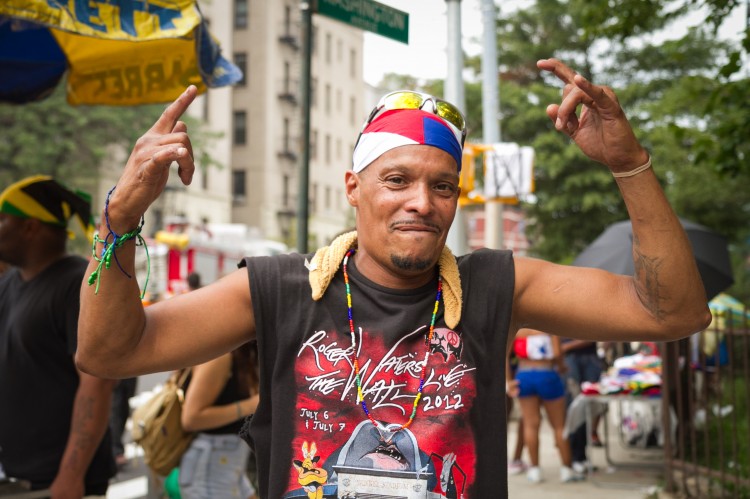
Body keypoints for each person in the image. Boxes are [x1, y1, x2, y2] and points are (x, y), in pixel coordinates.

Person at [76, 59, 711, 498]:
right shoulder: (280, 288)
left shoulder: (495, 287)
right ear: (354, 188)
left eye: (441, 185)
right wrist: (121, 217)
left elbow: (673, 314)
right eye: (397, 180)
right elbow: (109, 352)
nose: (421, 202)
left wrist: (629, 165)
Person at [0, 176, 116, 497]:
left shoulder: (77, 284)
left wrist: (71, 474)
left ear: (30, 228)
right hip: (18, 475)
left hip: (61, 482)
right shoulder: (10, 283)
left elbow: (97, 383)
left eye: (2, 220)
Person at [178, 341, 260, 498]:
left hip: (227, 465)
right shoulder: (220, 357)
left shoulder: (239, 355)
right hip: (211, 466)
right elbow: (191, 417)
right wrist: (250, 405)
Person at [507, 329, 579, 483]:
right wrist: (561, 367)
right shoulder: (547, 326)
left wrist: (508, 381)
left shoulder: (518, 330)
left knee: (530, 425)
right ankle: (567, 469)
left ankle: (535, 470)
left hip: (524, 376)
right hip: (547, 374)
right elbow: (558, 353)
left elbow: (505, 356)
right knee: (559, 426)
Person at [562, 338, 605, 472]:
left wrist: (566, 347)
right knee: (574, 407)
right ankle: (575, 457)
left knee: (587, 408)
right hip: (571, 359)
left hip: (585, 358)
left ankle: (581, 456)